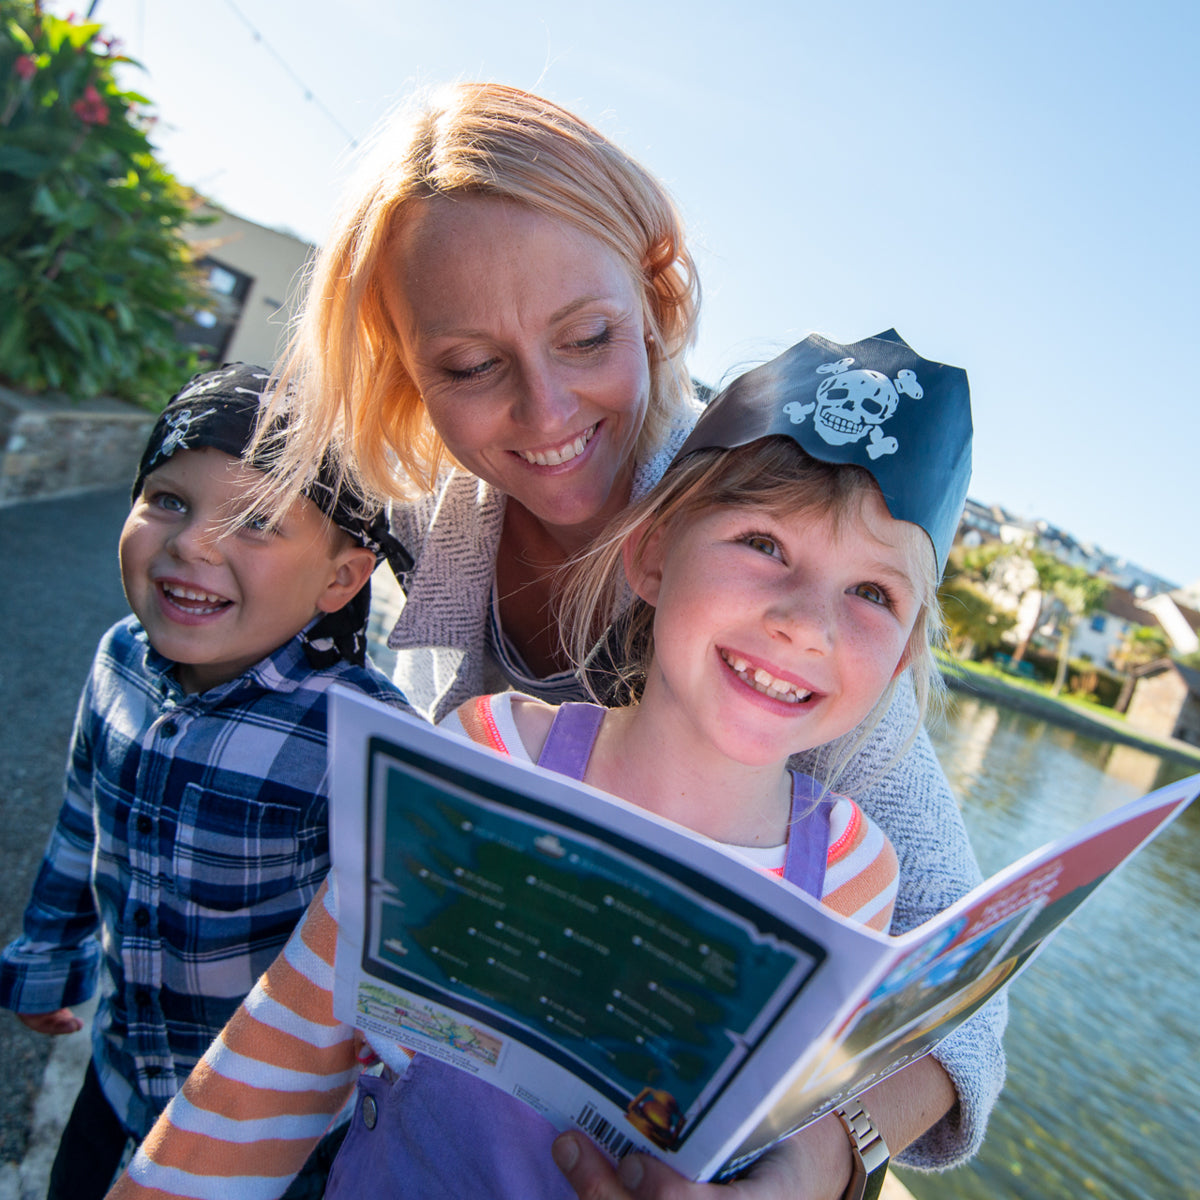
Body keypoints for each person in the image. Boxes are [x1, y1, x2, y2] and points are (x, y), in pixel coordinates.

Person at [123, 83, 1003, 1197]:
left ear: (655, 295)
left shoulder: (778, 522)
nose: (543, 416)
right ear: (406, 368)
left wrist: (816, 1164)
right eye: (469, 366)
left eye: (586, 337)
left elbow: (966, 984)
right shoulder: (425, 518)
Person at [0, 364, 412, 1200]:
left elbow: (403, 938)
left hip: (267, 1135)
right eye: (168, 501)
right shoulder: (119, 656)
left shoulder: (364, 734)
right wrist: (47, 955)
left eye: (257, 521)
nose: (192, 543)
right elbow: (83, 820)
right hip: (120, 1073)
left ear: (342, 578)